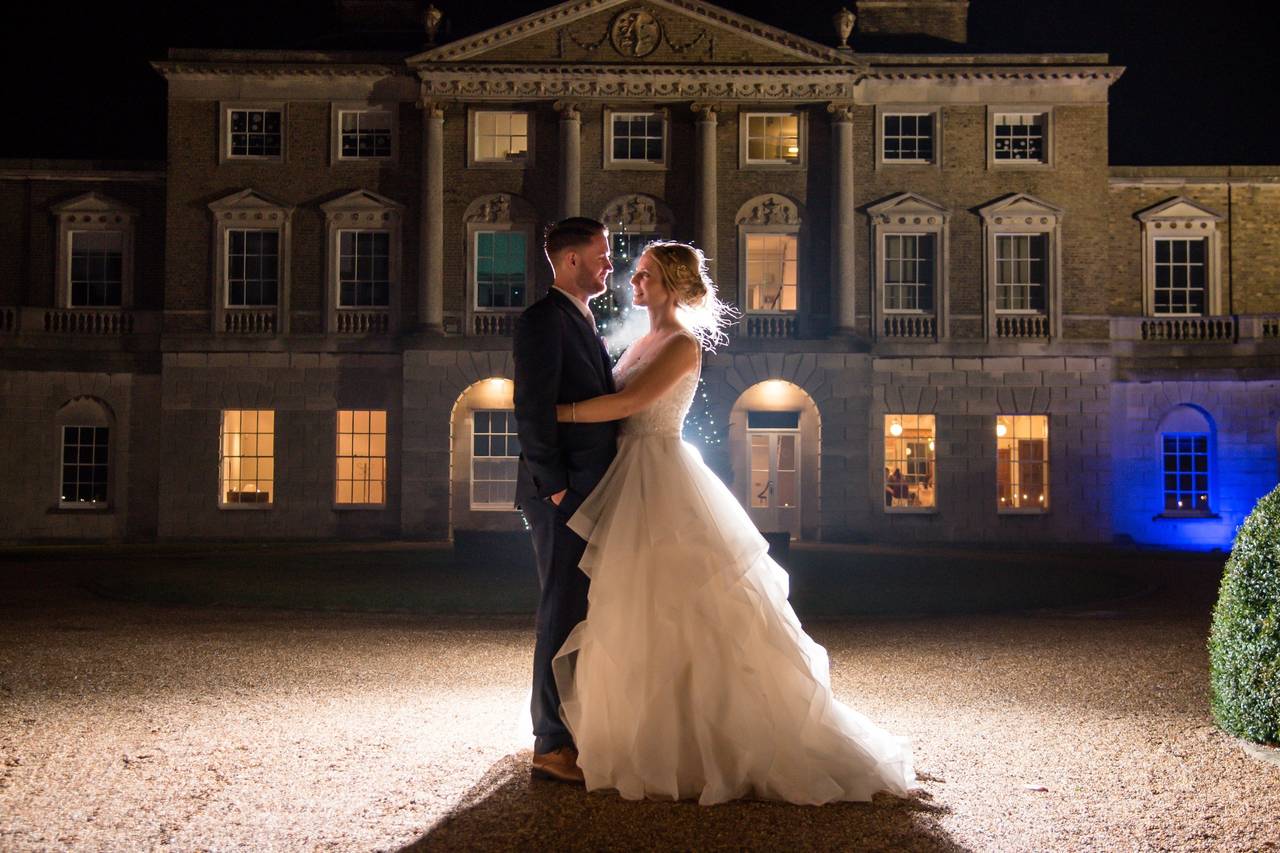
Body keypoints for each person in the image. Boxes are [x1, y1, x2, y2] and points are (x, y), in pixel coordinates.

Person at [550, 241, 917, 806]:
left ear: (671, 284)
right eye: (636, 274)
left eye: (645, 275)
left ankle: (707, 743)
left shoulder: (681, 344)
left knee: (683, 607)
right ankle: (639, 734)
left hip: (662, 475)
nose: (634, 282)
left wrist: (557, 414)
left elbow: (631, 404)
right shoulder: (638, 340)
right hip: (628, 476)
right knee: (631, 605)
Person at [512, 217, 619, 784]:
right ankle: (550, 741)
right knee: (560, 608)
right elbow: (530, 406)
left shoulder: (583, 319)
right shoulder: (541, 320)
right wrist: (556, 486)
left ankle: (572, 728)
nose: (609, 262)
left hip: (586, 488)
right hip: (561, 492)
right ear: (571, 259)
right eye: (601, 254)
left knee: (579, 606)